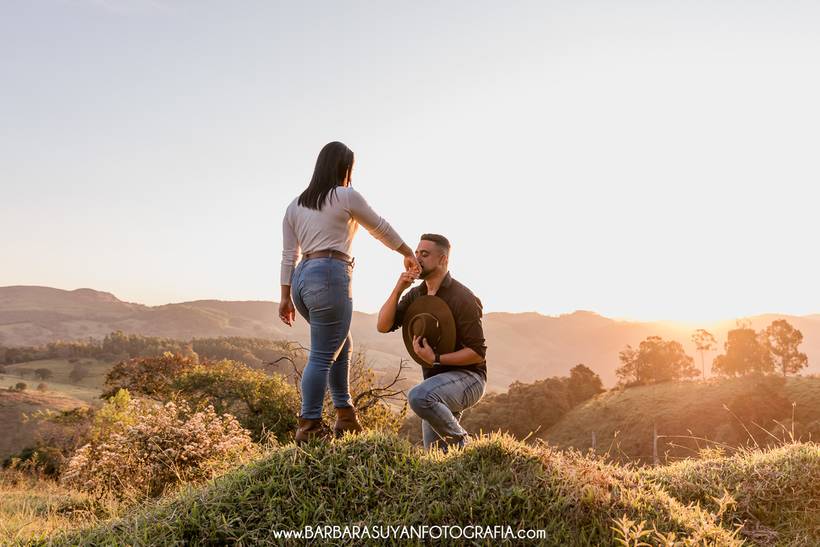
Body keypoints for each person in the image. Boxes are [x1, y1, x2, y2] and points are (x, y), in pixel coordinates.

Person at [279, 141, 420, 442]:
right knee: (321, 355)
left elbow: (289, 256)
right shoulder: (344, 196)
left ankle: (345, 416)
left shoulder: (294, 206)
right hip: (329, 274)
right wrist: (407, 252)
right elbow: (379, 226)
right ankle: (310, 426)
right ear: (345, 168)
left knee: (341, 342)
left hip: (302, 279)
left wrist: (284, 297)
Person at [377, 234, 487, 451]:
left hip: (469, 379)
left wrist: (436, 359)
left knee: (418, 396)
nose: (417, 259)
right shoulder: (416, 295)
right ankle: (463, 458)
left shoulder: (462, 297)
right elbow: (383, 325)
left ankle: (466, 443)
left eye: (424, 254)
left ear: (443, 260)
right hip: (436, 386)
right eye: (416, 253)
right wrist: (399, 289)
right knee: (436, 457)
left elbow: (477, 352)